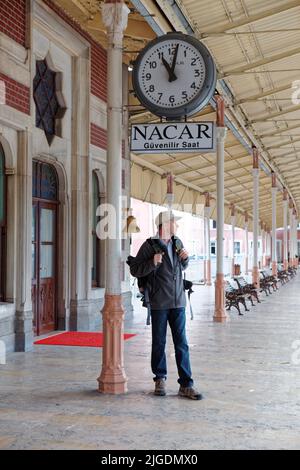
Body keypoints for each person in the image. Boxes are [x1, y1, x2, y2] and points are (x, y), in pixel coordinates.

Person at [130, 210, 202, 400]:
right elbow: (135, 269)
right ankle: (159, 379)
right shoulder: (150, 245)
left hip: (178, 301)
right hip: (159, 302)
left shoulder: (178, 243)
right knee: (159, 342)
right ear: (165, 225)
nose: (176, 226)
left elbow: (181, 267)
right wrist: (152, 263)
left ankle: (186, 384)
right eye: (173, 222)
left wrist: (185, 259)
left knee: (182, 343)